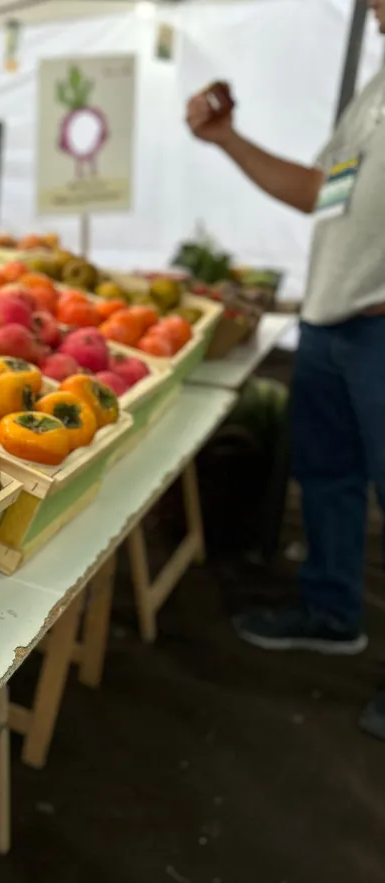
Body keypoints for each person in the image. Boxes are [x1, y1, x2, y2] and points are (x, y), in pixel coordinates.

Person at [186, 0, 385, 740]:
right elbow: (322, 195)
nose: (371, 8)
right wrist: (226, 138)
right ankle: (332, 611)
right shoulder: (373, 93)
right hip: (332, 322)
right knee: (328, 478)